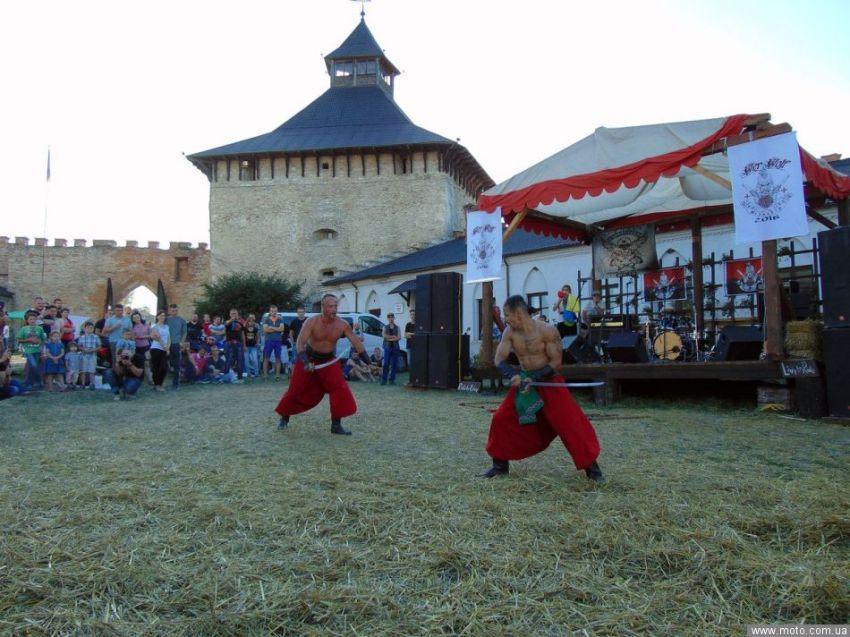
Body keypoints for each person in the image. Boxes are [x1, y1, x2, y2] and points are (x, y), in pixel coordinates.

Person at [480, 295, 604, 483]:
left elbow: (556, 362)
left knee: (570, 423)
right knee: (501, 418)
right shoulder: (509, 333)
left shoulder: (547, 331)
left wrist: (535, 377)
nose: (505, 318)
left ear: (519, 313)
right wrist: (512, 375)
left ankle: (593, 471)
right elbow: (499, 359)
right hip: (524, 382)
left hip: (549, 381)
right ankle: (499, 467)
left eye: (507, 314)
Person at [274, 294, 370, 436]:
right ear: (323, 307)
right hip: (308, 358)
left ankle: (336, 425)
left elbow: (356, 343)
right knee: (295, 389)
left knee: (340, 389)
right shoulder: (312, 322)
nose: (334, 309)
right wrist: (306, 363)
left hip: (328, 361)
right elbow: (300, 343)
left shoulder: (342, 324)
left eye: (335, 306)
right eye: (331, 306)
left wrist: (369, 362)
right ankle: (284, 417)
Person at [17, 311, 46, 390]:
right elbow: (19, 340)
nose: (32, 321)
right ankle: (38, 381)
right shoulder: (24, 329)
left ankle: (30, 383)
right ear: (27, 320)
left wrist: (42, 349)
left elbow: (43, 339)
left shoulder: (39, 328)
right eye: (30, 319)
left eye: (34, 319)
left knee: (32, 367)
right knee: (34, 365)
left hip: (37, 351)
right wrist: (29, 340)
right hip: (28, 351)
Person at [166, 304, 188, 389]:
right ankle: (159, 384)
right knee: (164, 364)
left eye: (176, 310)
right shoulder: (166, 320)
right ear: (169, 310)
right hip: (166, 345)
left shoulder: (182, 320)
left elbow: (184, 332)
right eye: (172, 311)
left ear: (177, 310)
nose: (174, 312)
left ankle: (176, 384)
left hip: (176, 344)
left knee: (177, 365)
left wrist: (181, 342)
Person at [262, 305, 286, 379]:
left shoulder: (280, 319)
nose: (274, 312)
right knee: (266, 358)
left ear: (277, 311)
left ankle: (277, 375)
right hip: (268, 341)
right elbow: (266, 330)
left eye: (275, 311)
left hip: (278, 341)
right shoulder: (266, 319)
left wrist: (272, 327)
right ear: (270, 311)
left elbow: (282, 329)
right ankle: (265, 375)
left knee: (278, 358)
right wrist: (277, 329)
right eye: (272, 311)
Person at [149, 310, 170, 392]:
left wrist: (168, 348)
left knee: (164, 368)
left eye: (164, 316)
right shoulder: (154, 326)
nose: (163, 317)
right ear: (157, 317)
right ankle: (157, 385)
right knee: (156, 368)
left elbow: (169, 338)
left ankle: (159, 383)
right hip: (156, 349)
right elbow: (157, 338)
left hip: (164, 349)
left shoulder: (167, 326)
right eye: (161, 315)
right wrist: (165, 347)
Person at [76, 321, 100, 390]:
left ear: (93, 329)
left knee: (92, 370)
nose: (90, 329)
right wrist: (84, 349)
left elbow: (99, 346)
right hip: (84, 355)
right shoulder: (82, 337)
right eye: (88, 328)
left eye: (91, 328)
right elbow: (79, 346)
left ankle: (92, 384)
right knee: (83, 370)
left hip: (93, 355)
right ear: (85, 328)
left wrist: (93, 349)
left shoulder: (96, 337)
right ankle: (83, 384)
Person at [224, 308, 246, 378]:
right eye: (232, 313)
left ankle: (240, 376)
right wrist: (232, 320)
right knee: (229, 360)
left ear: (237, 314)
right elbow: (226, 324)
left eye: (235, 313)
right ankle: (226, 376)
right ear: (230, 315)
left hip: (239, 343)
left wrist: (244, 345)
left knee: (240, 360)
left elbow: (243, 335)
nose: (234, 315)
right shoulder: (227, 322)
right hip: (229, 343)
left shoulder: (240, 323)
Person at [380, 312, 401, 385]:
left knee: (394, 364)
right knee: (386, 363)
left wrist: (389, 338)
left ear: (394, 318)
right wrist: (393, 337)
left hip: (395, 348)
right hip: (387, 347)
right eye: (389, 317)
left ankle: (392, 380)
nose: (391, 319)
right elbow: (384, 336)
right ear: (388, 319)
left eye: (392, 317)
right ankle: (384, 380)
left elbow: (399, 337)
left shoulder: (397, 327)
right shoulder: (385, 327)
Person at [243, 314, 260, 378]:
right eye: (250, 321)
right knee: (246, 361)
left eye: (252, 321)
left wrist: (257, 343)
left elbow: (258, 336)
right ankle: (248, 373)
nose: (251, 322)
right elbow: (243, 338)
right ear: (247, 322)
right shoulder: (244, 329)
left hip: (253, 347)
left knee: (255, 360)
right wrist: (244, 346)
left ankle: (256, 373)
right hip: (247, 347)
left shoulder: (256, 329)